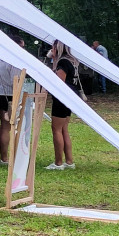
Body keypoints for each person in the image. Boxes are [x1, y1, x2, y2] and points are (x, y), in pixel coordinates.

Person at [0, 34, 24, 165]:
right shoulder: (13, 59)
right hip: (9, 94)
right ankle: (4, 158)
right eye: (21, 47)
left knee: (3, 125)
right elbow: (16, 79)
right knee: (7, 127)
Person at [47, 40, 78, 170]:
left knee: (56, 129)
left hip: (62, 98)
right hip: (70, 97)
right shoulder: (72, 61)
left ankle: (58, 162)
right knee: (64, 129)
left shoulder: (63, 62)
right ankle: (69, 161)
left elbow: (59, 82)